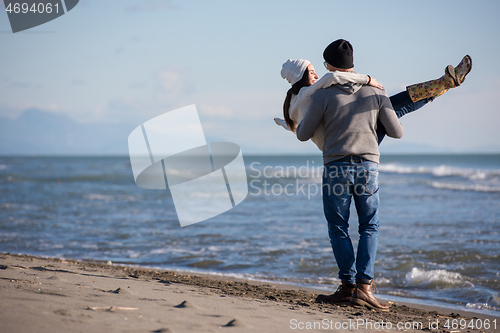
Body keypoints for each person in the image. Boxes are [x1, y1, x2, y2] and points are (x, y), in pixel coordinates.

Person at [293, 39, 471, 311]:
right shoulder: (375, 92)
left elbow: (304, 134)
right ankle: (364, 288)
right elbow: (397, 132)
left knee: (338, 228)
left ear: (329, 65)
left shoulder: (320, 95)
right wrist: (373, 124)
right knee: (369, 226)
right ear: (352, 64)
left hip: (336, 168)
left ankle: (347, 287)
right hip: (367, 167)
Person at [276, 55, 472, 149]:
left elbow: (295, 127)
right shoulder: (306, 94)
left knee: (393, 109)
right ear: (300, 76)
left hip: (342, 145)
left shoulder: (293, 104)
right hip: (351, 145)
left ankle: (442, 85)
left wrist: (285, 124)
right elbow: (331, 78)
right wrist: (368, 79)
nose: (317, 74)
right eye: (311, 72)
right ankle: (443, 85)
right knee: (389, 106)